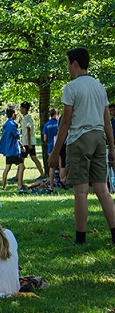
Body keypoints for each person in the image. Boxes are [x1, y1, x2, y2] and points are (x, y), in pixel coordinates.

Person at [48, 47, 115, 245]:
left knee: (81, 191)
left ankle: (80, 239)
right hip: (99, 139)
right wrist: (112, 148)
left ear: (75, 63)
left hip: (79, 140)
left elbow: (66, 122)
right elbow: (106, 122)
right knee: (103, 190)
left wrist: (55, 152)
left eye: (68, 63)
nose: (67, 68)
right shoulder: (99, 87)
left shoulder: (71, 87)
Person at [0, 107, 25, 191]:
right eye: (16, 114)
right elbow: (17, 136)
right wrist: (21, 146)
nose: (16, 115)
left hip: (8, 151)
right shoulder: (12, 124)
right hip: (14, 150)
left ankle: (4, 186)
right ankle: (20, 185)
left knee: (7, 168)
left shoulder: (6, 124)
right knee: (21, 166)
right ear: (13, 115)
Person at [19, 102, 45, 180]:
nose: (20, 110)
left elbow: (28, 130)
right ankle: (42, 173)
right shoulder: (26, 118)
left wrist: (29, 143)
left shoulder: (27, 118)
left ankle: (17, 176)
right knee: (33, 157)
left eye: (21, 108)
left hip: (27, 142)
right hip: (27, 141)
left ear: (25, 109)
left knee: (21, 159)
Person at [42, 108, 60, 190]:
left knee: (52, 166)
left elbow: (45, 138)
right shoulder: (59, 123)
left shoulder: (46, 125)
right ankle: (62, 183)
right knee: (61, 164)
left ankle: (51, 185)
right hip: (59, 147)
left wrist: (49, 143)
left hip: (50, 147)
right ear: (57, 115)